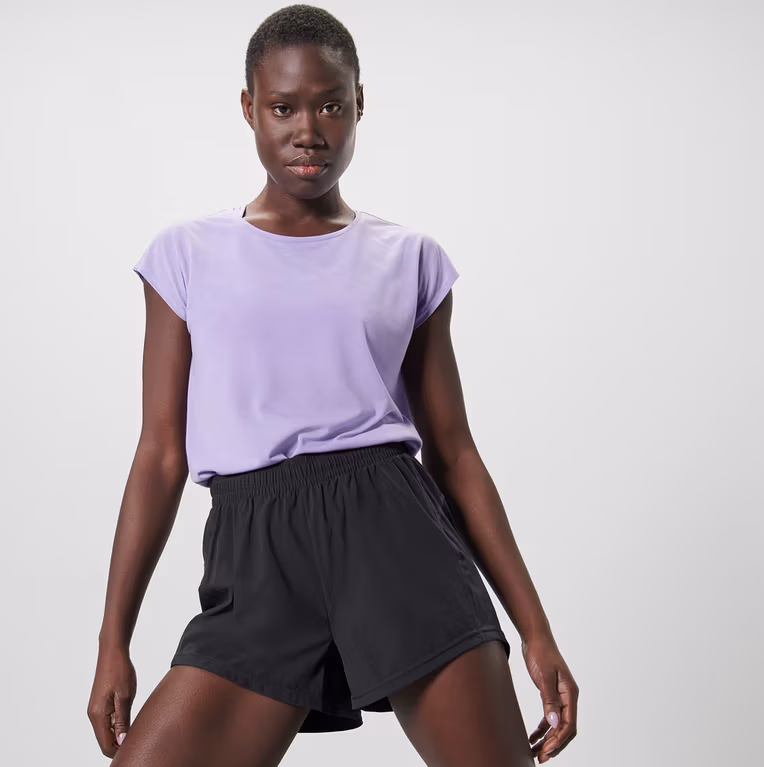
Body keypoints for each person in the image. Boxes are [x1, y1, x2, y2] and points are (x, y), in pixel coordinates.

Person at [88, 4, 579, 765]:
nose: (308, 130)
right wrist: (113, 639)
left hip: (393, 538)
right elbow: (159, 454)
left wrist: (535, 629)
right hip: (255, 556)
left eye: (330, 105)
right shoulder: (186, 255)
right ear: (249, 108)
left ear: (359, 104)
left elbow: (455, 454)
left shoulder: (408, 258)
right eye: (283, 107)